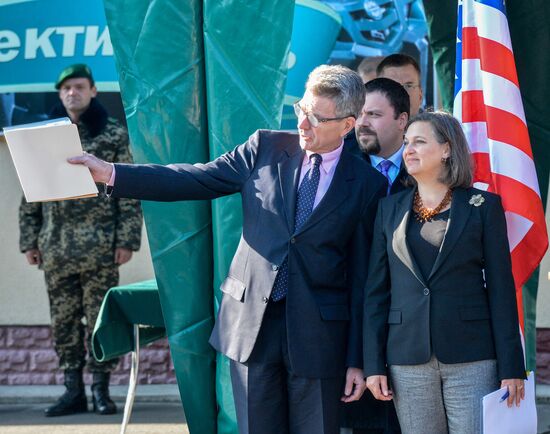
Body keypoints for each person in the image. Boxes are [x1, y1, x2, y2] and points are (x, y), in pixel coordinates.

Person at [69, 65, 387, 434]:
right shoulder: (264, 147)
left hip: (319, 339)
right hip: (251, 326)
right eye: (302, 109)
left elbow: (364, 279)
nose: (303, 123)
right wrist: (111, 173)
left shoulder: (368, 183)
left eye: (316, 117)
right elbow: (195, 177)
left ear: (347, 125)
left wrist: (357, 360)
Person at [363, 111, 526, 434]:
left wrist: (512, 367)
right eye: (407, 142)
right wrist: (372, 365)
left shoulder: (484, 207)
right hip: (406, 358)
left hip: (472, 357)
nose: (408, 149)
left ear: (447, 149)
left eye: (419, 142)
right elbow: (376, 293)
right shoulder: (388, 208)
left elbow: (501, 290)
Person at [19, 64, 143, 417]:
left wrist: (127, 240)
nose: (71, 93)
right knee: (64, 321)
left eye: (78, 87)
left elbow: (129, 191)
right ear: (59, 95)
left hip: (100, 247)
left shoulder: (114, 134)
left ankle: (101, 392)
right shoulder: (43, 135)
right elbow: (30, 191)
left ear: (92, 91)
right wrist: (30, 239)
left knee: (99, 320)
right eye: (65, 89)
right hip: (55, 246)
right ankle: (72, 391)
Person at [341, 79, 410, 434]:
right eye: (359, 113)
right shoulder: (341, 165)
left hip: (411, 330)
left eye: (374, 114)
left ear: (402, 121)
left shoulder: (425, 168)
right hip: (351, 325)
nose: (362, 122)